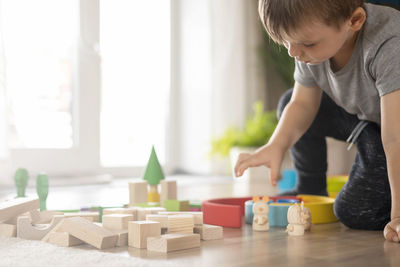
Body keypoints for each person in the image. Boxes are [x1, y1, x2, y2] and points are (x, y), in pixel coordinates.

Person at [234, 0, 400, 242]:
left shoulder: (388, 44)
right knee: (290, 101)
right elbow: (303, 104)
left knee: (353, 212)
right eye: (287, 41)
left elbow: (395, 137)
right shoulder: (308, 42)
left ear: (354, 21)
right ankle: (309, 187)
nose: (293, 52)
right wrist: (276, 145)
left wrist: (397, 215)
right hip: (366, 121)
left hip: (392, 128)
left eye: (307, 43)